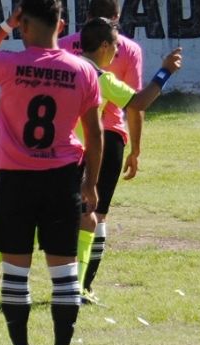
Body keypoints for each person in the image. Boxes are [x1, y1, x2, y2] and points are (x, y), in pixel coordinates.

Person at [0, 0, 103, 345]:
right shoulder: (82, 70)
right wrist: (90, 183)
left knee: (15, 274)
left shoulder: (8, 64)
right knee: (64, 275)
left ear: (23, 24)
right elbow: (95, 132)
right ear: (61, 22)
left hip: (16, 182)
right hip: (62, 180)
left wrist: (4, 27)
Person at [58, 0, 144, 302]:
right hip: (104, 137)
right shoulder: (121, 55)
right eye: (113, 47)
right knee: (95, 215)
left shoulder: (63, 47)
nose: (116, 52)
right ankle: (83, 284)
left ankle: (76, 285)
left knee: (64, 214)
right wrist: (136, 147)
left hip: (66, 138)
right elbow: (136, 104)